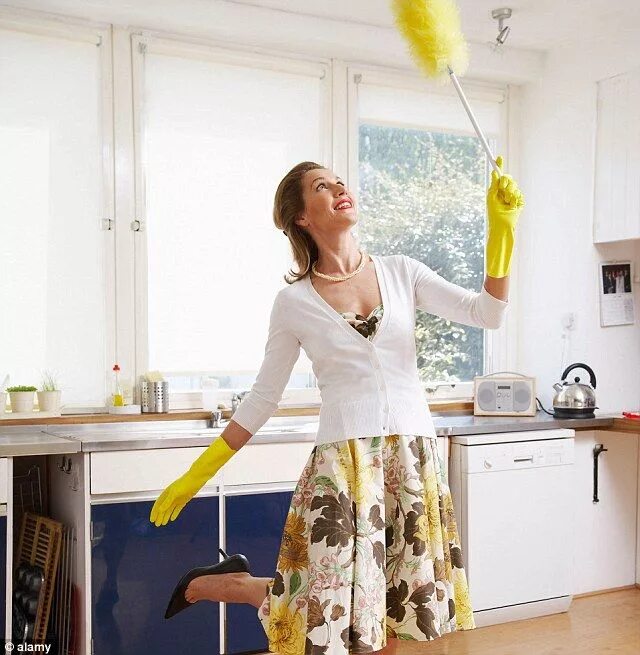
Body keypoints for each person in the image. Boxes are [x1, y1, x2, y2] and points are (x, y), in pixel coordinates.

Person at [149, 157, 524, 654]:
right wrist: (198, 472)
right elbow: (263, 397)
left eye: (340, 181)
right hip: (342, 467)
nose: (340, 189)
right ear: (302, 216)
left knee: (394, 613)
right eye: (322, 187)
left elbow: (488, 313)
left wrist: (501, 235)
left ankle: (232, 584)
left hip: (410, 462)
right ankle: (229, 584)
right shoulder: (295, 302)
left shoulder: (401, 273)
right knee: (329, 614)